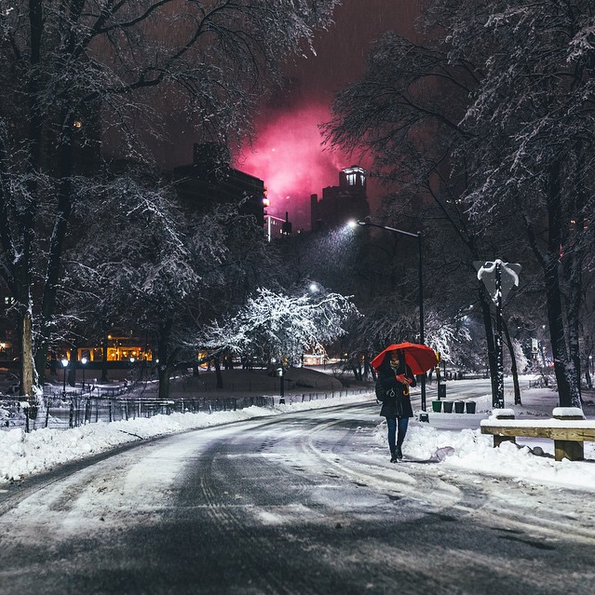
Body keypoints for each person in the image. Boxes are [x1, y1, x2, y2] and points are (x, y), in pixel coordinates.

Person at [376, 349, 416, 462]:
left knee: (403, 429)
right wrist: (396, 379)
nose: (394, 356)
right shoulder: (384, 368)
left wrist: (409, 380)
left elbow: (414, 383)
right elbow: (382, 382)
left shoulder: (405, 367)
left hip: (403, 402)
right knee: (392, 429)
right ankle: (393, 453)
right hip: (390, 402)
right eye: (392, 354)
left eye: (396, 354)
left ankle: (399, 447)